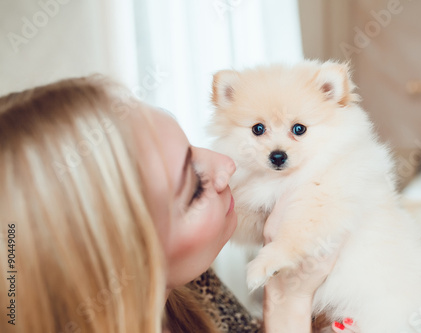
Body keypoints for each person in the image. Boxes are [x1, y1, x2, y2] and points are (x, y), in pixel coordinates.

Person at [0, 76, 342, 333]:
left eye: (190, 147)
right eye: (194, 188)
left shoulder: (190, 285)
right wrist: (288, 301)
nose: (226, 165)